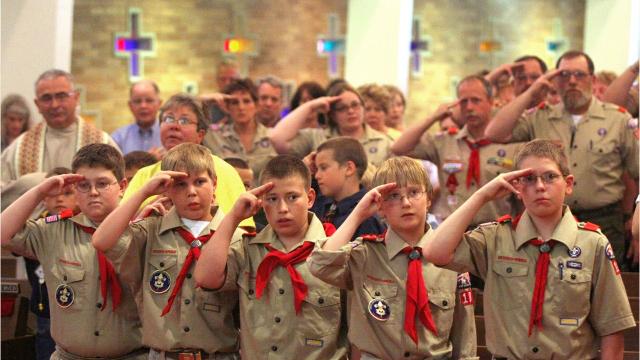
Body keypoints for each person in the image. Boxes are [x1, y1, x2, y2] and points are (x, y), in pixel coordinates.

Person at [423, 139, 635, 359]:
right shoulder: (495, 238)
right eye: (529, 179)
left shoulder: (593, 244)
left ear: (569, 184)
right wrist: (482, 195)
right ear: (516, 186)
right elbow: (435, 253)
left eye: (550, 177)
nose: (540, 186)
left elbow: (612, 328)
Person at [307, 157, 477, 359]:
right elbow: (319, 265)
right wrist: (358, 214)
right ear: (380, 206)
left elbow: (464, 335)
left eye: (414, 192)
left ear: (429, 199)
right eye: (394, 196)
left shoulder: (450, 257)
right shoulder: (364, 255)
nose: (406, 203)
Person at [485, 50, 639, 269]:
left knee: (602, 289)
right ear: (554, 80)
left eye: (579, 74)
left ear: (592, 80)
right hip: (547, 220)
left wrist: (635, 227)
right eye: (564, 75)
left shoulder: (617, 119)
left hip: (604, 220)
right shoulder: (540, 116)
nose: (572, 81)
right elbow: (494, 132)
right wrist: (532, 91)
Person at [92, 143, 242, 360]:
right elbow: (101, 240)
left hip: (218, 355)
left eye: (200, 182)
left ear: (215, 184)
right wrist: (143, 192)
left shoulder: (234, 237)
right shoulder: (151, 231)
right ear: (168, 190)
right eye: (180, 185)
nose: (191, 192)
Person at [193, 155, 348, 359]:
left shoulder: (334, 251)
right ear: (261, 202)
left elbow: (356, 329)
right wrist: (234, 217)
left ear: (310, 198)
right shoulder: (248, 250)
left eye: (292, 197)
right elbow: (205, 277)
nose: (282, 209)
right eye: (272, 199)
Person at [0, 144, 144, 360]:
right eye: (84, 185)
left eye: (102, 184)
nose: (93, 192)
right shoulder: (54, 231)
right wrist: (39, 192)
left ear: (122, 186)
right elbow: (4, 234)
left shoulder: (143, 230)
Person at [392, 75, 522, 226]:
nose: (469, 107)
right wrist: (434, 117)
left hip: (497, 231)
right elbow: (398, 147)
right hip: (451, 230)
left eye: (476, 100)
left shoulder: (511, 144)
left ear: (491, 102)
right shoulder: (445, 142)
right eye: (463, 101)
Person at [122, 93, 253, 228]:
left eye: (184, 121)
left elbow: (242, 229)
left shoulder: (223, 169)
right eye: (168, 119)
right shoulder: (145, 174)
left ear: (200, 134)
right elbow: (121, 227)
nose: (174, 126)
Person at [1, 69, 118, 185]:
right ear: (37, 104)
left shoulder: (102, 143)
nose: (54, 105)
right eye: (47, 98)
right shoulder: (18, 149)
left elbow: (119, 189)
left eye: (61, 96)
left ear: (76, 98)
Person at [21, 167, 79, 360]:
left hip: (77, 305)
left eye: (67, 193)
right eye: (53, 194)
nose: (59, 199)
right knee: (45, 343)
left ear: (79, 195)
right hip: (44, 304)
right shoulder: (37, 226)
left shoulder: (83, 224)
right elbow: (12, 238)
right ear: (43, 198)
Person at [270, 82, 392, 167]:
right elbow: (277, 138)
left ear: (362, 107)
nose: (350, 111)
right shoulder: (317, 137)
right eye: (342, 108)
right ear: (332, 114)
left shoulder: (383, 142)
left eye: (355, 105)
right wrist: (311, 105)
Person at [201, 79, 277, 183]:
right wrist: (205, 100)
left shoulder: (272, 136)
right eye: (235, 102)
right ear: (227, 107)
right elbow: (190, 119)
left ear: (256, 106)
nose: (241, 107)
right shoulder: (215, 136)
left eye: (246, 101)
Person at [312, 137, 385, 237]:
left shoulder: (367, 217)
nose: (317, 175)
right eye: (316, 169)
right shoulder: (324, 205)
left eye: (323, 168)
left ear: (349, 168)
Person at [111, 80, 163, 157]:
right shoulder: (117, 138)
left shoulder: (170, 134)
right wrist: (148, 159)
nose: (143, 106)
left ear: (159, 103)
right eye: (138, 101)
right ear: (130, 105)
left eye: (149, 101)